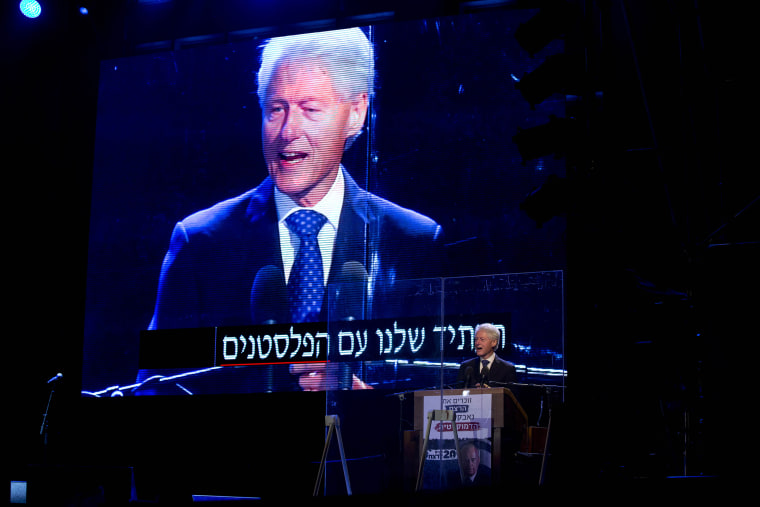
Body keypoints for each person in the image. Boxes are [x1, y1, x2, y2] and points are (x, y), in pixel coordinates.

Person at [145, 28, 444, 391]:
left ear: (356, 113)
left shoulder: (413, 241)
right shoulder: (201, 242)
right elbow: (155, 391)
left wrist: (361, 400)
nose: (287, 131)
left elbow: (443, 406)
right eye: (276, 109)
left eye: (310, 109)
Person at [456, 323, 517, 388]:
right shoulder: (466, 367)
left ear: (494, 342)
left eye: (482, 339)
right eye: (476, 339)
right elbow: (458, 394)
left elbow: (512, 396)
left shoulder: (507, 369)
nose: (477, 343)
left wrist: (491, 392)